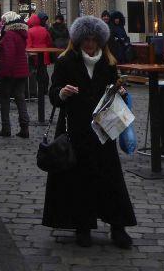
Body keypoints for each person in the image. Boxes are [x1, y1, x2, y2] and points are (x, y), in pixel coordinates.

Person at [42, 15, 136, 249]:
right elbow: (53, 93)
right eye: (86, 40)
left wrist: (119, 91)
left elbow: (115, 89)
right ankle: (82, 226)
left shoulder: (109, 62)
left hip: (103, 129)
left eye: (94, 40)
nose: (90, 45)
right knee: (79, 181)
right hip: (76, 129)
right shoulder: (66, 62)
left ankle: (118, 227)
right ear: (78, 40)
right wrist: (62, 93)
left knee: (111, 179)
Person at [0, 12, 30, 138]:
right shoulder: (20, 34)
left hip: (10, 73)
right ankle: (25, 127)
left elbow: (9, 56)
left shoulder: (9, 35)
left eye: (3, 21)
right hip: (21, 71)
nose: (1, 23)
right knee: (20, 98)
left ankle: (6, 128)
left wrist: (4, 73)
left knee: (4, 100)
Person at [27, 13, 53, 104]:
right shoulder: (44, 30)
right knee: (43, 72)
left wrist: (29, 52)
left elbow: (29, 44)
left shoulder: (30, 31)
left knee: (33, 73)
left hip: (34, 54)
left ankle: (33, 92)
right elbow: (49, 41)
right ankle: (44, 89)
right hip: (44, 53)